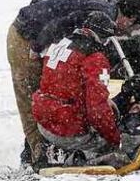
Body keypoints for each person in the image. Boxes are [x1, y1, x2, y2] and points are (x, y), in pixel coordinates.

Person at [6, 0, 140, 166]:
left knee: (49, 95)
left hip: (33, 33)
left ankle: (44, 151)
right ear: (129, 19)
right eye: (135, 28)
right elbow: (63, 22)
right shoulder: (102, 15)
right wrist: (37, 47)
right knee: (31, 100)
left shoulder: (98, 18)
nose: (129, 34)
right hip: (26, 37)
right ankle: (38, 158)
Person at [32, 12, 121, 165]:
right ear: (103, 37)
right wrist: (115, 139)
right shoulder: (95, 58)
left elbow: (62, 84)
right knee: (113, 151)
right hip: (67, 128)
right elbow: (97, 110)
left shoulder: (59, 44)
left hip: (43, 120)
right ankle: (80, 159)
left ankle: (48, 153)